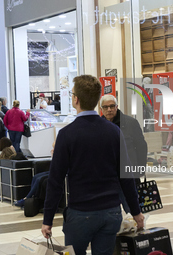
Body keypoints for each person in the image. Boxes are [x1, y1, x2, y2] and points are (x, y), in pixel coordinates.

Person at [41, 75, 144, 255]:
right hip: (111, 212)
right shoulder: (114, 131)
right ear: (98, 101)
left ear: (76, 99)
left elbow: (55, 180)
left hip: (80, 213)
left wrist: (47, 219)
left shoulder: (66, 135)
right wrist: (136, 212)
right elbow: (125, 176)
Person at [100, 95, 147, 213]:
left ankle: (137, 227)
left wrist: (141, 167)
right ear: (101, 109)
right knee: (108, 210)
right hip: (107, 175)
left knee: (133, 209)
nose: (109, 110)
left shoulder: (130, 123)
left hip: (129, 174)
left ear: (117, 107)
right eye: (105, 107)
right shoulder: (98, 125)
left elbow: (141, 146)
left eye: (112, 106)